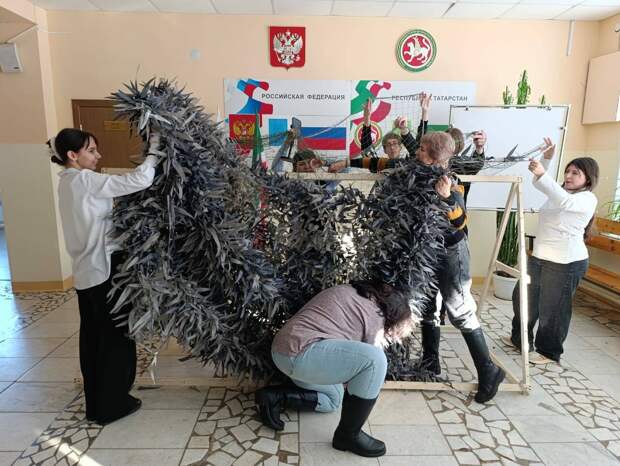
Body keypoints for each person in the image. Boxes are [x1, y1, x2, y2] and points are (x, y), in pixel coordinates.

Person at [50, 127, 160, 424]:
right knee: (115, 340)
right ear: (72, 155)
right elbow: (140, 179)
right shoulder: (84, 180)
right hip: (103, 270)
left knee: (94, 339)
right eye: (91, 150)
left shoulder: (67, 181)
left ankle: (97, 403)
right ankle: (113, 405)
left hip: (86, 273)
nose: (98, 156)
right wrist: (156, 149)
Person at [255, 280, 414, 458]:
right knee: (376, 361)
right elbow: (367, 370)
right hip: (302, 354)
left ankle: (275, 397)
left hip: (283, 353)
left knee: (333, 399)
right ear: (392, 316)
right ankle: (348, 436)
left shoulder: (351, 292)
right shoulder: (375, 316)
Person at [415, 132, 505, 403]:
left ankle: (488, 370)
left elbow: (461, 223)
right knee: (428, 306)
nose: (417, 152)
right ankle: (431, 362)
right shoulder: (420, 171)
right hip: (430, 249)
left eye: (422, 149)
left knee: (460, 310)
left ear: (434, 155)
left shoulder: (449, 181)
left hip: (452, 251)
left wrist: (446, 199)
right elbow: (383, 164)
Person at [504, 139, 599, 365]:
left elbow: (562, 200)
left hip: (566, 263)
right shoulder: (560, 192)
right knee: (523, 298)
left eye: (576, 173)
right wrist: (546, 159)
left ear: (588, 178)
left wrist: (542, 172)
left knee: (552, 309)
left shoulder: (586, 198)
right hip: (540, 258)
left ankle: (548, 352)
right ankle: (520, 339)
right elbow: (543, 184)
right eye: (567, 171)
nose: (569, 176)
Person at [328, 93, 431, 174]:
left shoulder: (410, 163)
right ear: (385, 150)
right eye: (388, 145)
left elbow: (419, 146)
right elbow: (367, 150)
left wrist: (424, 112)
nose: (392, 147)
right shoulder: (379, 165)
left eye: (395, 143)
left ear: (401, 147)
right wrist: (367, 119)